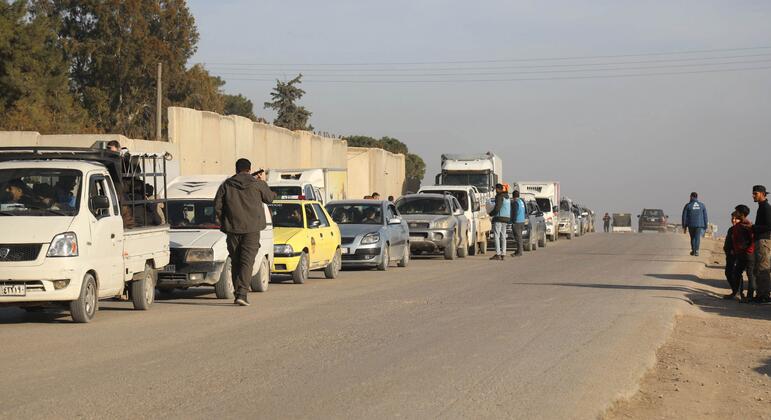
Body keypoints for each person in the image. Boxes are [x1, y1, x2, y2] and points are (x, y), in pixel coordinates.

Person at [214, 158, 276, 306]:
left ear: (236, 169)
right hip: (252, 229)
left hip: (232, 229)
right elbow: (270, 198)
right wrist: (263, 182)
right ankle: (242, 294)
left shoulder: (226, 185)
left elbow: (217, 206)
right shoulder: (257, 184)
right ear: (249, 169)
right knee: (247, 261)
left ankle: (238, 293)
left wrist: (225, 223)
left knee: (236, 260)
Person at [732, 205, 757, 302]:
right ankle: (739, 293)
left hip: (748, 254)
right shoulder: (739, 225)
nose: (735, 213)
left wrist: (748, 250)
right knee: (737, 272)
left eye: (736, 211)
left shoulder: (747, 225)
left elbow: (752, 239)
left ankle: (749, 297)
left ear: (742, 214)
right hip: (741, 253)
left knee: (750, 275)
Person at [752, 185, 771, 303]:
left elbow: (769, 226)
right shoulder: (761, 207)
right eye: (753, 193)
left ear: (763, 194)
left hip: (764, 241)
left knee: (763, 268)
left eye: (756, 193)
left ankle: (764, 296)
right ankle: (760, 294)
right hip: (760, 240)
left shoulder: (766, 207)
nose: (753, 196)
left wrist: (753, 227)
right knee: (758, 268)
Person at [682, 192, 708, 256]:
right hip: (699, 225)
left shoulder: (688, 205)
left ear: (691, 197)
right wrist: (705, 225)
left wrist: (684, 226)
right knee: (697, 237)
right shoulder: (702, 205)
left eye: (690, 197)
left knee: (692, 237)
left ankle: (693, 250)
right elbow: (705, 216)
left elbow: (684, 216)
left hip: (691, 225)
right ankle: (696, 251)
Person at [488, 184, 510, 261]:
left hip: (499, 218)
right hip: (506, 218)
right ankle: (503, 253)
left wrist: (491, 214)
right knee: (503, 236)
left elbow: (497, 208)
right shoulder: (507, 197)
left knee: (496, 236)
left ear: (498, 189)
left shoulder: (499, 196)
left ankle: (498, 254)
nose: (495, 191)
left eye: (496, 189)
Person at [723, 212, 740, 299]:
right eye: (732, 218)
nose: (733, 220)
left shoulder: (741, 229)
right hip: (730, 255)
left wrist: (735, 251)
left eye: (736, 219)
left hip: (737, 255)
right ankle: (735, 291)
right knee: (728, 273)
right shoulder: (731, 229)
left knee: (735, 273)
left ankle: (738, 293)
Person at [510, 190, 526, 257]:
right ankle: (518, 250)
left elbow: (515, 212)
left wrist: (512, 221)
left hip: (517, 222)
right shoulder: (521, 201)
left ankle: (519, 252)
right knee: (519, 237)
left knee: (518, 238)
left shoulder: (515, 202)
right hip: (522, 221)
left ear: (513, 196)